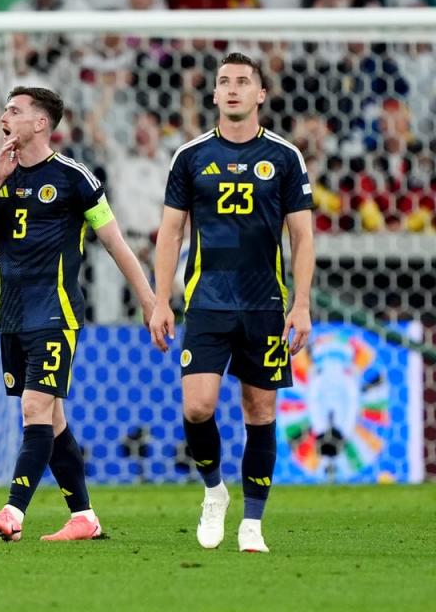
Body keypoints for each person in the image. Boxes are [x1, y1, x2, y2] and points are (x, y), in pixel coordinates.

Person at [0, 87, 155, 541]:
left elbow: (115, 243)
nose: (4, 117)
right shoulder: (0, 174)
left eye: (15, 110)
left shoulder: (75, 178)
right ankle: (84, 518)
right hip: (11, 314)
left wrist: (150, 301)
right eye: (5, 109)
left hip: (57, 312)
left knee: (35, 408)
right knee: (52, 420)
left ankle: (13, 512)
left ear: (40, 124)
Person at [148, 52, 315, 553]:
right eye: (225, 82)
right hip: (206, 303)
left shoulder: (285, 157)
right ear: (215, 94)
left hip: (265, 303)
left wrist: (301, 303)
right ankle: (215, 491)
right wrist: (161, 300)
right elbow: (171, 232)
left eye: (244, 82)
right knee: (197, 408)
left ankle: (253, 523)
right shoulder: (191, 156)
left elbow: (302, 238)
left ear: (261, 94)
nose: (234, 89)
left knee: (259, 410)